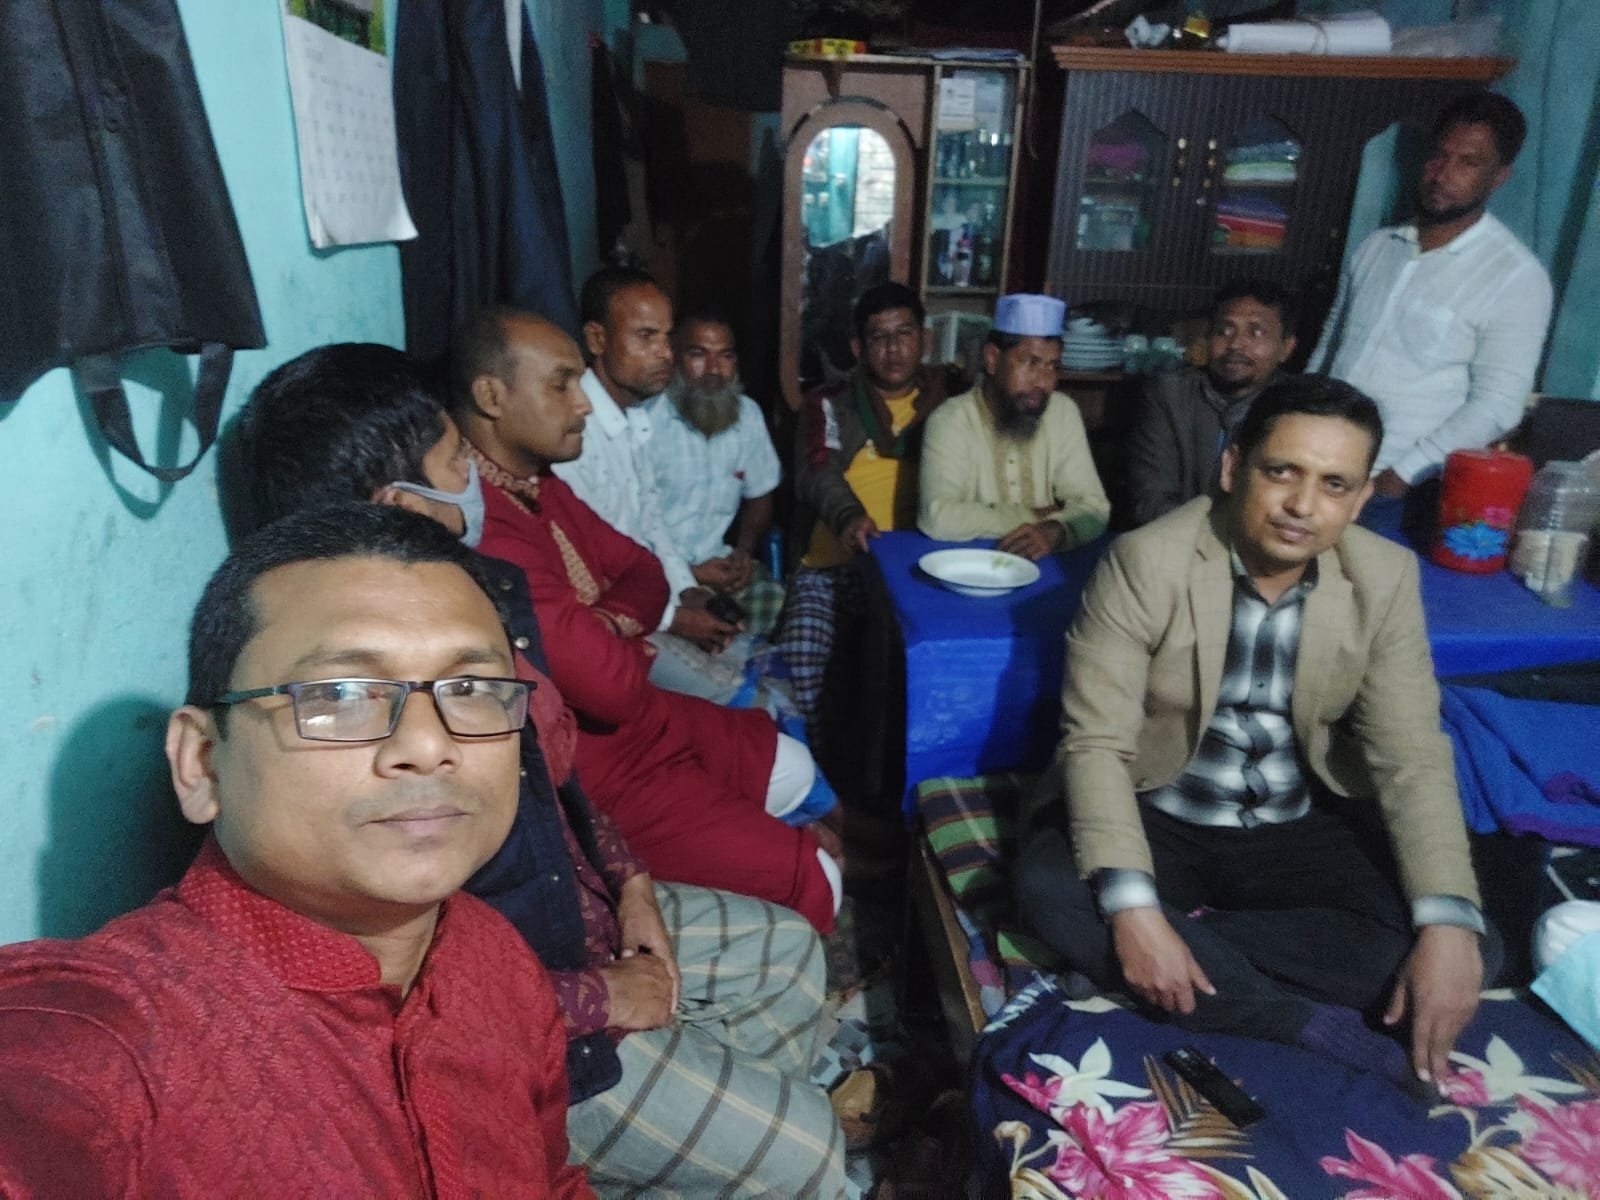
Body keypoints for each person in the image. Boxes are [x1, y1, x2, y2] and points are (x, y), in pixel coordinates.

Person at [232, 345, 846, 1197]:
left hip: (575, 913)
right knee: (813, 1152)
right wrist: (601, 997)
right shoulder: (340, 727)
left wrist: (631, 883)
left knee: (786, 951)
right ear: (399, 506)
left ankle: (718, 1141)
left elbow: (555, 781)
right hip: (537, 1033)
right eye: (458, 463)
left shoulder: (472, 601)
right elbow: (403, 999)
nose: (478, 484)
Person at [0, 504, 591, 1197]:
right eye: (341, 694)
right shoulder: (116, 1035)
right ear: (202, 763)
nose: (430, 745)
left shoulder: (494, 956)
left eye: (470, 689)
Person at [1015, 376, 1495, 1094]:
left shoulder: (1385, 576)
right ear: (1233, 468)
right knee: (1049, 887)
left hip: (1291, 823)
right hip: (1160, 810)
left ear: (1361, 499)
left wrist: (1449, 926)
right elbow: (1096, 745)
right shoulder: (1146, 561)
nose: (1303, 505)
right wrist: (1135, 908)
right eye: (1282, 472)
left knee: (1465, 938)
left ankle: (1183, 956)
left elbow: (1411, 755)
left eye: (1334, 485)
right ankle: (1290, 1018)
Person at [450, 310, 842, 934]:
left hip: (642, 721)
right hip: (599, 770)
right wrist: (627, 638)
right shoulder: (489, 529)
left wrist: (606, 624)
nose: (583, 404)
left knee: (787, 760)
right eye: (562, 385)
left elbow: (644, 568)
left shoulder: (539, 486)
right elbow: (611, 686)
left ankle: (795, 855)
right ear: (492, 397)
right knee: (816, 873)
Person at [1308, 90, 1552, 498]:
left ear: (1499, 177)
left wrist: (1401, 475)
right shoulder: (1377, 247)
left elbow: (1498, 406)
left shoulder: (1516, 278)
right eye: (1439, 155)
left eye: (1468, 163)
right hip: (1320, 462)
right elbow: (1328, 351)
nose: (1442, 174)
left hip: (1404, 487)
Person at [554, 266, 764, 704]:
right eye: (646, 337)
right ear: (597, 339)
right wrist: (674, 618)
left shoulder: (633, 419)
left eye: (667, 338)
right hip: (608, 623)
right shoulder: (576, 432)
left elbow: (650, 523)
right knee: (744, 700)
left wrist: (688, 591)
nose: (665, 353)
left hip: (652, 600)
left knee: (752, 660)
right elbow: (591, 571)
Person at [778, 282, 963, 745]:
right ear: (859, 348)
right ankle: (812, 772)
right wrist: (848, 517)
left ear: (925, 339)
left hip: (919, 572)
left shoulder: (954, 402)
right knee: (799, 657)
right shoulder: (829, 403)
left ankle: (901, 776)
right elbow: (817, 470)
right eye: (879, 338)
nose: (893, 349)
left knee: (925, 666)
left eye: (904, 334)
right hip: (833, 567)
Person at [918, 293, 1109, 560]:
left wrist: (1055, 530)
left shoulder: (1062, 412)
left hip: (1046, 560)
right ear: (992, 359)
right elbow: (937, 517)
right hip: (970, 564)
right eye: (1030, 362)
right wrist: (1036, 515)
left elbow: (1095, 507)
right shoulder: (950, 420)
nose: (1043, 382)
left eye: (1052, 366)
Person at [641, 309, 786, 638]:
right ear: (674, 357)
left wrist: (743, 553)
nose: (714, 369)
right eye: (698, 354)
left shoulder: (748, 415)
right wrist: (691, 574)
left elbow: (760, 495)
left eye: (725, 356)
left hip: (719, 565)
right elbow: (630, 520)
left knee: (776, 607)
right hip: (655, 570)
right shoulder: (645, 419)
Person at [1123, 278, 1298, 528]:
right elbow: (1150, 501)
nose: (1235, 344)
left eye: (1256, 332)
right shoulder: (1170, 394)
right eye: (1223, 331)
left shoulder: (1296, 409)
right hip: (1176, 538)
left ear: (1286, 348)